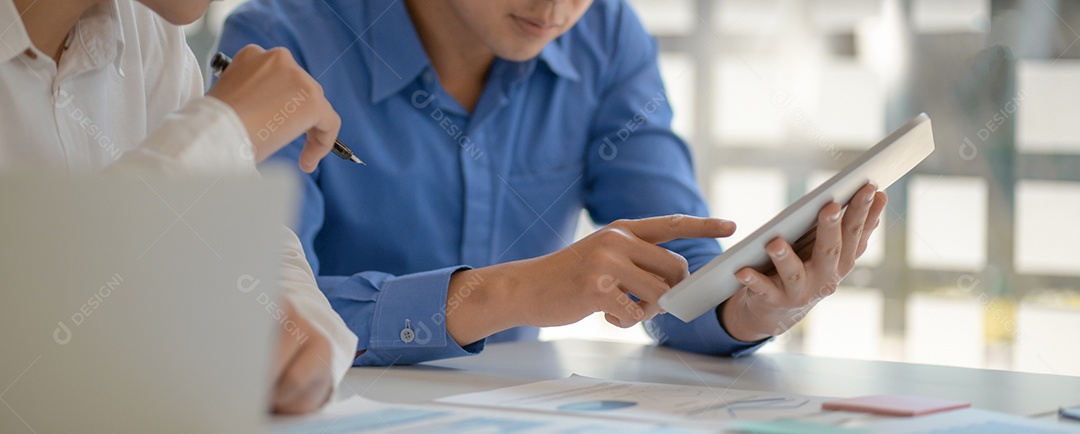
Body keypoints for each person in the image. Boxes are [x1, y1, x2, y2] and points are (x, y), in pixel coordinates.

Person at [217, 0, 887, 366]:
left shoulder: (606, 36)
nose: (557, 8)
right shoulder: (278, 44)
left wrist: (750, 309)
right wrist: (512, 292)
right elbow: (260, 312)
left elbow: (679, 268)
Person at [1, 0, 359, 413]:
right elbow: (31, 328)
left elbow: (254, 257)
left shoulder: (150, 34)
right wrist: (223, 130)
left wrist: (307, 351)